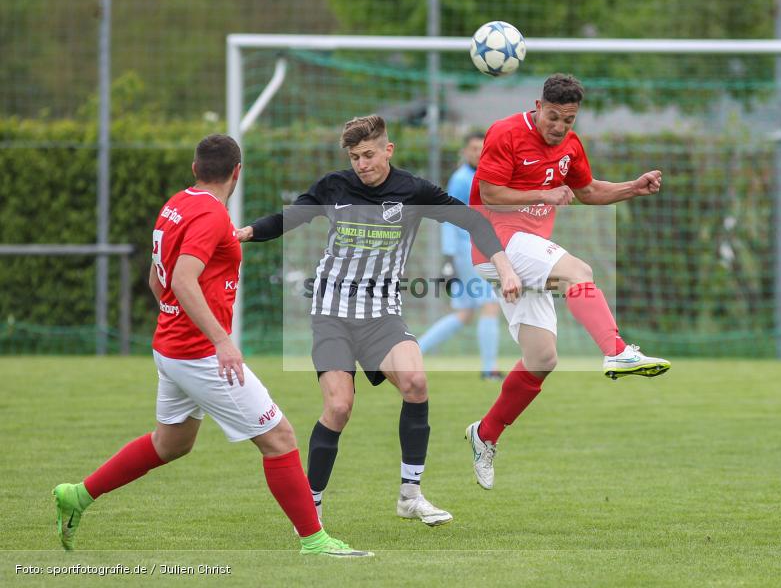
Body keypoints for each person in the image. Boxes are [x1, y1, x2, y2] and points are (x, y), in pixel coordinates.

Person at [52, 135, 370, 557]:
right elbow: (182, 278)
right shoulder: (212, 215)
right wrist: (221, 341)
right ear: (237, 172)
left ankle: (77, 495)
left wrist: (174, 315)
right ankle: (315, 541)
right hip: (199, 354)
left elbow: (158, 277)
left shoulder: (176, 204)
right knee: (280, 437)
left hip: (172, 347)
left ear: (195, 168)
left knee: (171, 444)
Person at [237, 115, 521, 526]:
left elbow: (474, 221)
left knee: (416, 383)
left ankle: (410, 496)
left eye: (368, 154)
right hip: (333, 314)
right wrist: (246, 232)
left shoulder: (413, 190)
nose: (361, 164)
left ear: (388, 150)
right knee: (339, 407)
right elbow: (290, 217)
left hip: (382, 315)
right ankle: (311, 506)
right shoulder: (334, 186)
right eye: (354, 157)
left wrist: (504, 268)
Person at [464, 74, 671, 490]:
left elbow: (587, 191)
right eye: (553, 117)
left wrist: (632, 188)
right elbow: (490, 194)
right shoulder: (505, 133)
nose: (559, 127)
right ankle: (617, 352)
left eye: (569, 120)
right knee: (580, 271)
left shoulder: (571, 146)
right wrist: (543, 195)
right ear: (538, 106)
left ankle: (484, 435)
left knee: (542, 358)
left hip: (527, 251)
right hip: (497, 243)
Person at [417, 131, 504, 380]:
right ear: (464, 152)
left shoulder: (483, 176)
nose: (478, 153)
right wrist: (449, 257)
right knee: (490, 304)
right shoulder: (462, 179)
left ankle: (412, 353)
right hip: (469, 251)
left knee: (464, 314)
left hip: (473, 250)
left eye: (482, 149)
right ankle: (489, 369)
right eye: (473, 148)